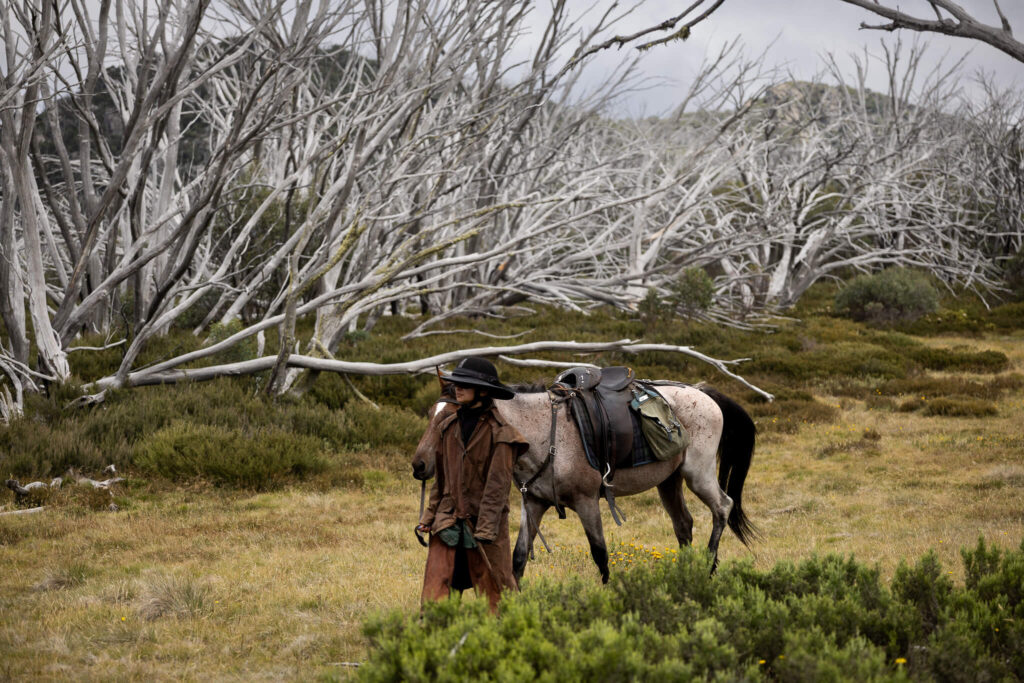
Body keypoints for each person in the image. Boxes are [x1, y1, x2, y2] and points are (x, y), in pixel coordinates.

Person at [416, 356, 528, 612]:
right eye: (457, 383)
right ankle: (434, 634)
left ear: (484, 391)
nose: (458, 388)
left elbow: (497, 490)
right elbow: (441, 482)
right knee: (435, 593)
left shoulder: (502, 435)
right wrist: (430, 516)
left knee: (496, 597)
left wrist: (486, 530)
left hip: (483, 525)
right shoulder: (448, 427)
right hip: (447, 519)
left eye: (465, 384)